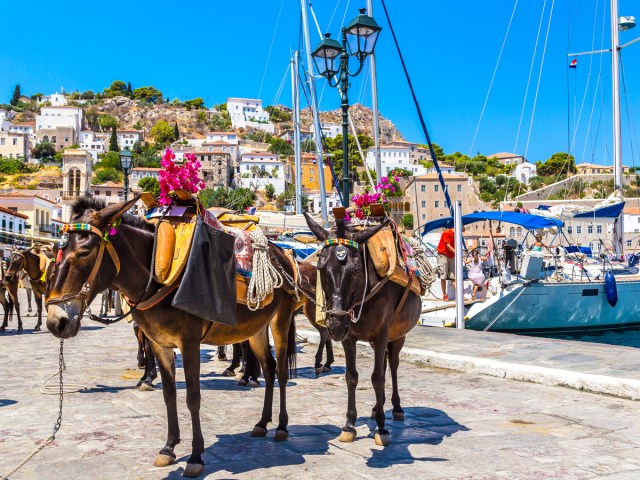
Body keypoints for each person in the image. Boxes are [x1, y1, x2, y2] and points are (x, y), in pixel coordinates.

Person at [437, 228, 456, 301]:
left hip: (452, 255)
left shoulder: (457, 235)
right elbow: (447, 246)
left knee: (454, 276)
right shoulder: (446, 233)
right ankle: (444, 295)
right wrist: (457, 252)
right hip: (443, 255)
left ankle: (459, 295)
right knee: (443, 276)